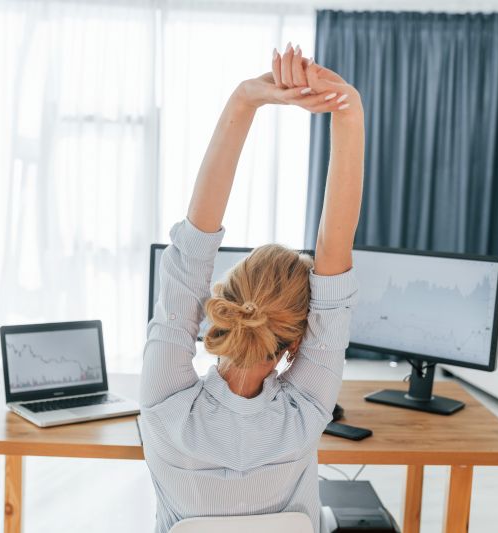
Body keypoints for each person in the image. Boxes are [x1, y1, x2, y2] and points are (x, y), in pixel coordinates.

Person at [139, 42, 365, 533]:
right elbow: (335, 249)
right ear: (300, 338)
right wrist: (349, 108)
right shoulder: (308, 412)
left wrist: (246, 99)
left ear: (221, 300)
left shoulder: (165, 407)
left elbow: (191, 251)